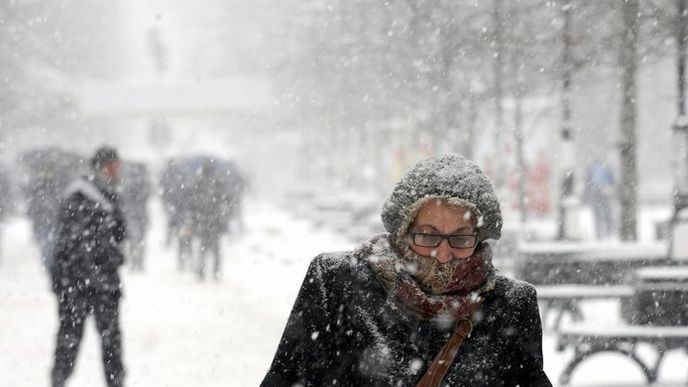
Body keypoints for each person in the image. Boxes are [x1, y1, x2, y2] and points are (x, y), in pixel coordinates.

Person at [262, 154, 552, 386]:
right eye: (428, 235)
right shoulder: (337, 282)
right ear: (403, 230)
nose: (443, 253)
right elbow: (286, 378)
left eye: (461, 237)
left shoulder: (511, 305)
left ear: (479, 239)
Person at [50, 146, 127, 387]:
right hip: (82, 284)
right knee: (73, 341)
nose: (118, 172)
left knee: (107, 344)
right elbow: (73, 245)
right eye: (114, 167)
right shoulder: (81, 198)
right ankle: (59, 380)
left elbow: (119, 233)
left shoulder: (106, 195)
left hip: (93, 283)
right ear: (103, 168)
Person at [583, 158, 616, 239]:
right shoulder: (606, 169)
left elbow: (588, 183)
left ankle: (601, 232)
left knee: (599, 214)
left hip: (598, 193)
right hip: (604, 193)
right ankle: (607, 232)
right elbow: (612, 181)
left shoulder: (593, 169)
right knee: (605, 214)